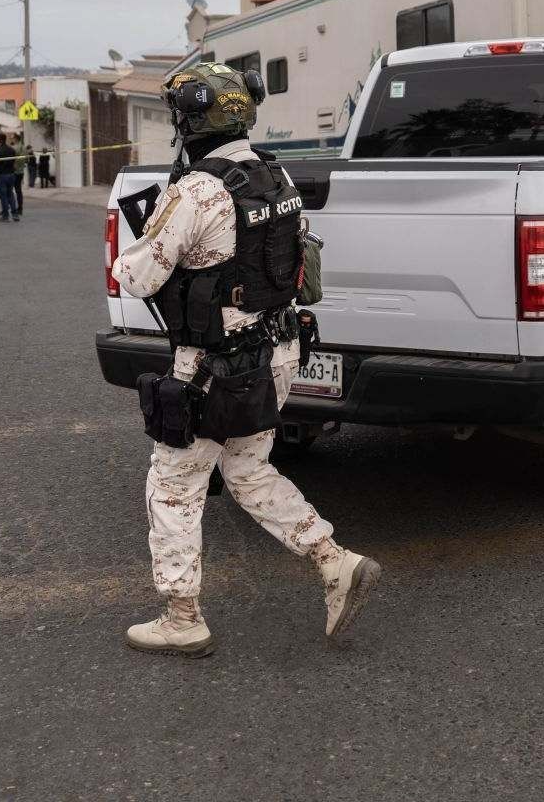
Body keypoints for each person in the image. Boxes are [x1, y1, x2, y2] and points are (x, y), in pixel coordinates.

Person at [110, 61, 380, 657]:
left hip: (213, 366)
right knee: (247, 469)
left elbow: (135, 274)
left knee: (175, 483)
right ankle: (334, 562)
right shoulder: (276, 178)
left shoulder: (197, 190)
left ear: (192, 119)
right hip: (279, 351)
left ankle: (182, 616)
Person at [0, 133, 20, 222]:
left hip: (1, 176)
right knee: (10, 194)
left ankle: (5, 215)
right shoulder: (12, 150)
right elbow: (14, 162)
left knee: (3, 196)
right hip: (11, 175)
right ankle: (14, 214)